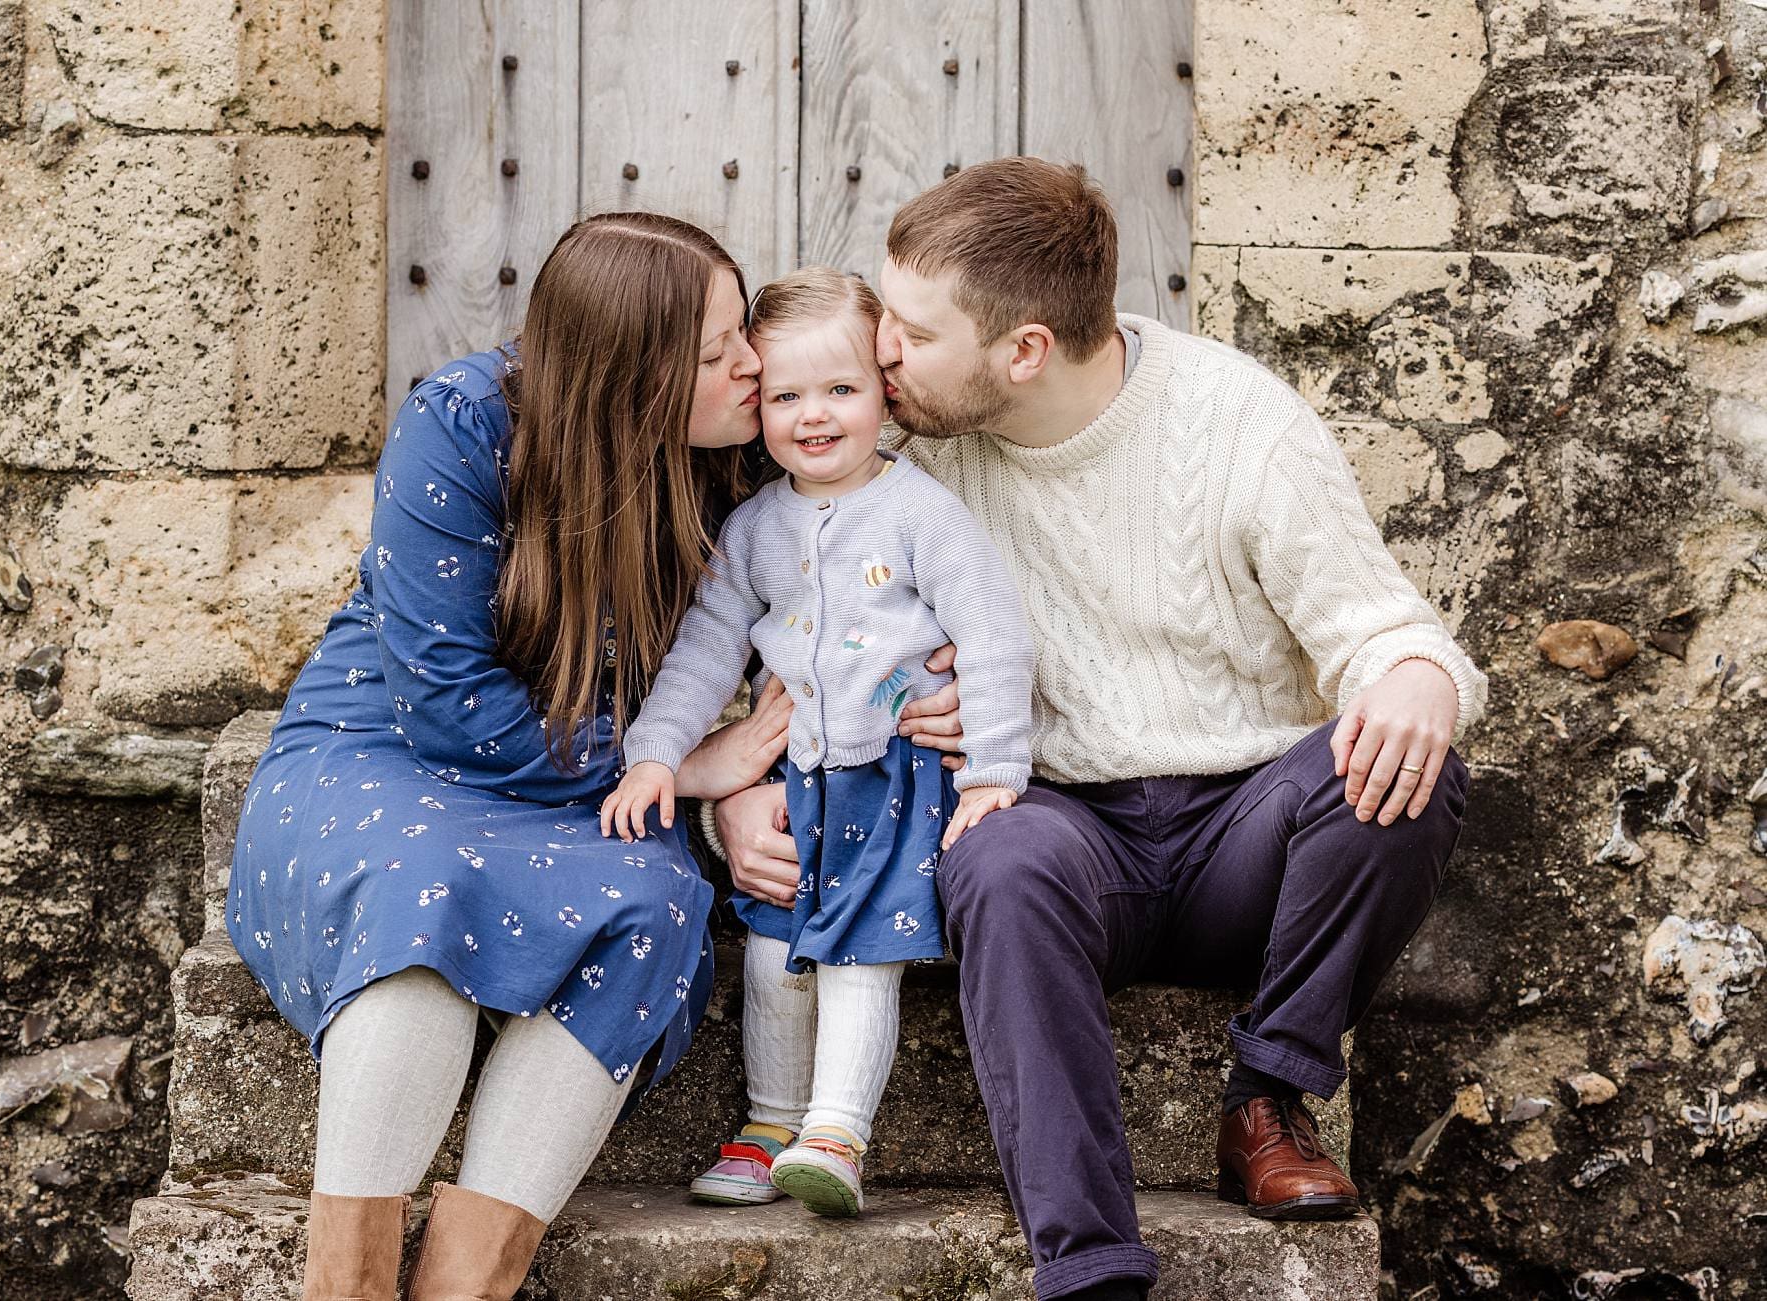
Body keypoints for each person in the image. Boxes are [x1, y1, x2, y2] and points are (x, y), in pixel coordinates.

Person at [704, 158, 1484, 1300]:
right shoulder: (901, 442)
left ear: (1022, 349)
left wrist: (1418, 671)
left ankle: (1266, 1094)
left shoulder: (1236, 421)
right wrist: (735, 780)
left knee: (1402, 767)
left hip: (1244, 835)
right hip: (1062, 826)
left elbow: (1380, 629)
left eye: (911, 333)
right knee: (998, 855)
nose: (877, 357)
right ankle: (1090, 1262)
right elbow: (783, 613)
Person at [225, 211, 801, 1301]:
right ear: (631, 372)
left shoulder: (743, 455)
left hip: (588, 786)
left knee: (654, 908)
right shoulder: (463, 422)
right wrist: (670, 773)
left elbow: (872, 584)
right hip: (387, 749)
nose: (754, 364)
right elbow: (445, 701)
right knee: (415, 901)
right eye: (721, 348)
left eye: (747, 333)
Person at [600, 266, 1035, 1218]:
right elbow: (704, 653)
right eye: (787, 395)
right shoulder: (755, 529)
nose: (814, 415)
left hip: (898, 777)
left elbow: (995, 630)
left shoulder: (921, 514)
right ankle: (770, 1126)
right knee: (771, 951)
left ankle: (837, 1131)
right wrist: (655, 754)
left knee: (856, 956)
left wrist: (997, 768)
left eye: (841, 389)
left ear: (887, 394)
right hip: (804, 782)